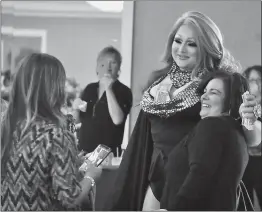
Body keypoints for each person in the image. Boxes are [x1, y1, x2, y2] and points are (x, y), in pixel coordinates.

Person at [104, 11, 261, 211]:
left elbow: (251, 139)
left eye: (192, 44)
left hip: (197, 179)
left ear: (207, 46)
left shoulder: (223, 82)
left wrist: (249, 119)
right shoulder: (158, 80)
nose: (181, 49)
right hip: (156, 175)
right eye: (178, 41)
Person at [1, 53, 102, 211]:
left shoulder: (7, 128)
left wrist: (70, 163)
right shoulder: (56, 135)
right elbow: (70, 198)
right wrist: (91, 176)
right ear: (54, 89)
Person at [161, 70, 249, 210]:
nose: (204, 97)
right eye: (205, 91)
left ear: (230, 102)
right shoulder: (235, 132)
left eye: (214, 93)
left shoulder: (211, 126)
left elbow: (199, 175)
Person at [73, 46, 133, 157]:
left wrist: (108, 89)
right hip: (84, 153)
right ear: (97, 68)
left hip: (108, 155)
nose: (108, 68)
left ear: (119, 67)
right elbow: (77, 121)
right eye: (103, 63)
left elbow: (117, 120)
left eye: (113, 63)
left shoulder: (124, 91)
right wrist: (75, 109)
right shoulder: (89, 89)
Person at [238, 65, 262, 210]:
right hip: (246, 164)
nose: (257, 84)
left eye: (260, 79)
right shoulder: (240, 108)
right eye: (252, 80)